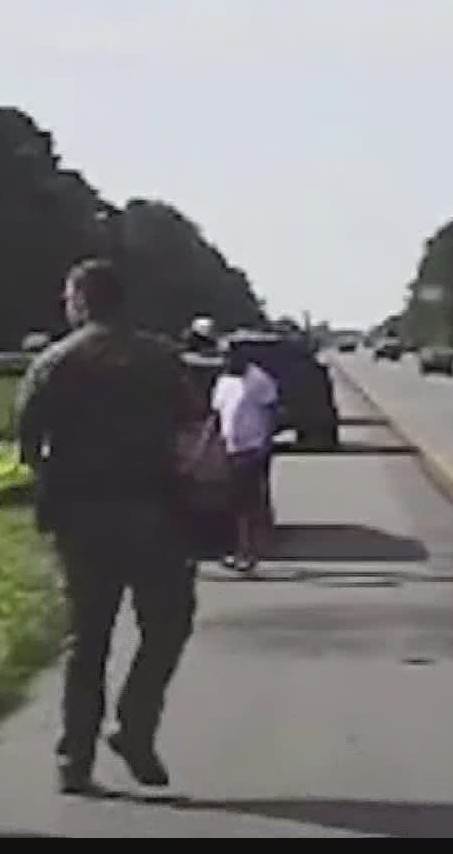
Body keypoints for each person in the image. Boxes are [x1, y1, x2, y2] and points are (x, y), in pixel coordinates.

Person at [15, 259, 202, 795]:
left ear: (80, 301)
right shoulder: (160, 359)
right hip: (154, 513)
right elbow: (192, 428)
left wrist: (49, 481)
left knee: (87, 639)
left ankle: (75, 759)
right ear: (121, 301)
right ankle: (135, 725)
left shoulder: (54, 362)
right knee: (167, 625)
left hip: (81, 516)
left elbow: (27, 438)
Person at [211, 343, 279, 573]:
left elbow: (271, 411)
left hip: (252, 448)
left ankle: (248, 552)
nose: (226, 361)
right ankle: (238, 549)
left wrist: (266, 443)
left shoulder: (259, 379)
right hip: (230, 448)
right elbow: (218, 415)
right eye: (223, 357)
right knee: (233, 502)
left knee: (247, 503)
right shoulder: (224, 382)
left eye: (229, 357)